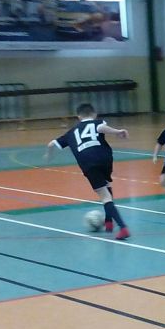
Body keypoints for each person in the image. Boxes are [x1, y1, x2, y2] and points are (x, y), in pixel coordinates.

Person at [44, 103, 131, 240]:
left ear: (78, 116)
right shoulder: (97, 122)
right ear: (94, 114)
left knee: (104, 196)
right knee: (107, 184)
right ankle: (108, 222)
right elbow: (101, 128)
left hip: (87, 161)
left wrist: (48, 156)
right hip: (105, 157)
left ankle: (123, 228)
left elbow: (51, 144)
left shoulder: (71, 132)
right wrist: (117, 132)